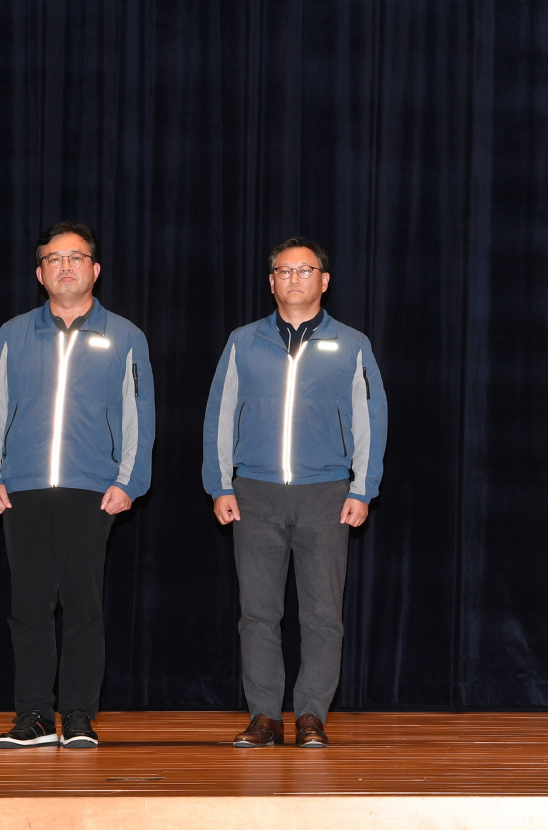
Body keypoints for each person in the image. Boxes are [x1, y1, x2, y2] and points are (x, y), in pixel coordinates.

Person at [0, 222, 154, 749]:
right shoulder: (14, 333)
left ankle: (77, 714)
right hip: (22, 488)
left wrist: (129, 481)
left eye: (76, 258)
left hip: (91, 490)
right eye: (54, 259)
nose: (65, 266)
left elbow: (139, 415)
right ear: (39, 273)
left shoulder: (124, 336)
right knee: (27, 607)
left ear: (95, 270)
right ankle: (32, 715)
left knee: (83, 606)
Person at [203, 237, 388, 749]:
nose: (294, 279)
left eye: (304, 271)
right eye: (284, 271)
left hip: (326, 494)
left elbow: (371, 422)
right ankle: (264, 716)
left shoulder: (352, 345)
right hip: (255, 493)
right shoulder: (243, 341)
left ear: (323, 281)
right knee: (258, 613)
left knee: (322, 615)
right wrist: (219, 484)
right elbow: (219, 417)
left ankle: (311, 715)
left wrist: (362, 488)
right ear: (271, 282)